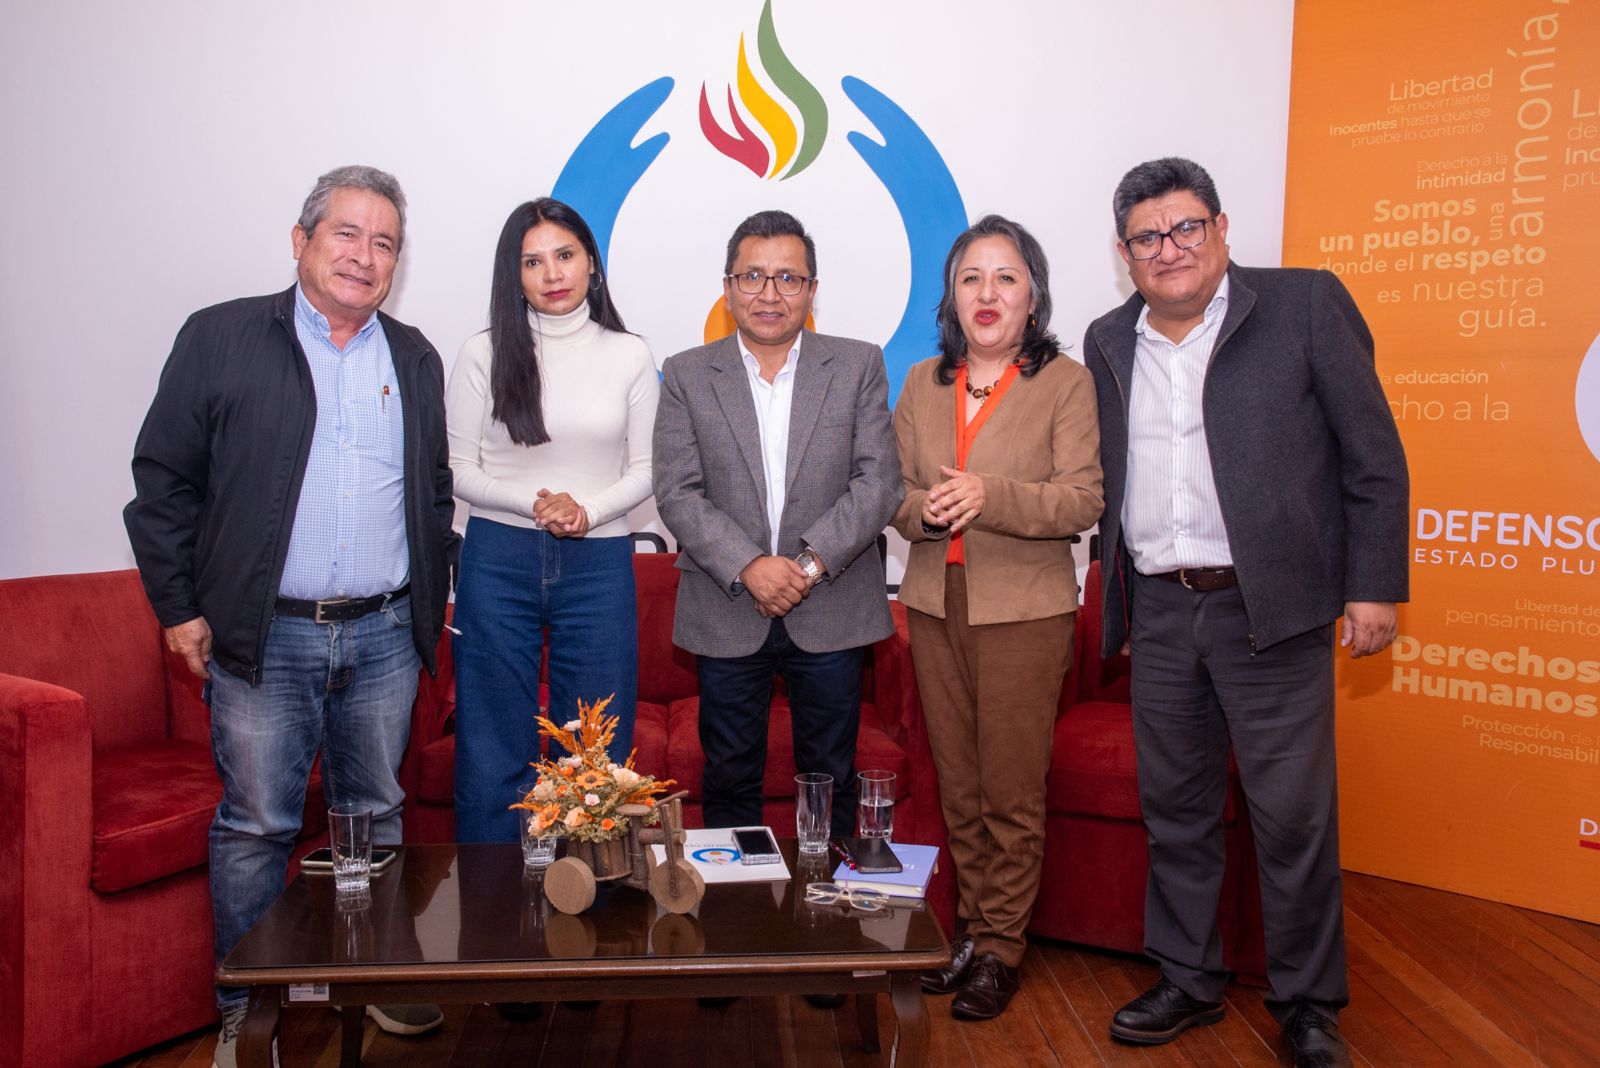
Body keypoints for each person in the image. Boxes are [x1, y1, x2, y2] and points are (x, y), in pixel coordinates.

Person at [123, 165, 459, 1067]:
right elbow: (163, 483)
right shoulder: (222, 336)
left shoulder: (413, 356)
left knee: (376, 814)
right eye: (347, 233)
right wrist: (179, 607)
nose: (365, 256)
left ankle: (373, 979)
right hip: (263, 636)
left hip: (384, 633)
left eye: (384, 243)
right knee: (257, 826)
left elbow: (431, 490)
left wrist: (429, 604)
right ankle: (249, 1007)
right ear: (301, 240)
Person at [1083, 158, 1408, 1068]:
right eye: (1147, 237)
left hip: (1273, 610)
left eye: (1186, 227)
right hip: (1159, 609)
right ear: (1124, 252)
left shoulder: (1303, 304)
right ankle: (1188, 978)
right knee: (1176, 810)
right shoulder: (1107, 339)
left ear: (1222, 229)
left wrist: (1373, 583)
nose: (1169, 248)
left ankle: (1308, 1005)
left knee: (1293, 819)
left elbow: (1373, 455)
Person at [890, 215, 1103, 1020]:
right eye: (971, 277)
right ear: (951, 295)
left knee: (1011, 790)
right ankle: (972, 932)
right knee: (961, 784)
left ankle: (1002, 949)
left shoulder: (1066, 383)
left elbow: (1081, 500)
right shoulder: (921, 381)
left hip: (1025, 611)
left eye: (1006, 277)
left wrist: (989, 495)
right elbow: (892, 491)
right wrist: (924, 510)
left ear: (1033, 298)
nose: (987, 293)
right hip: (932, 604)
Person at [652, 209, 902, 841]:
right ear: (728, 287)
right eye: (753, 276)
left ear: (812, 290)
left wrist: (805, 568)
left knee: (832, 775)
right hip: (727, 605)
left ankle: (826, 892)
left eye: (789, 278)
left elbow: (879, 484)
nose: (770, 293)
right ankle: (737, 898)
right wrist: (749, 566)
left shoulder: (857, 364)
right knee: (729, 775)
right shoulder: (686, 373)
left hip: (832, 604)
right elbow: (677, 492)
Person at [447, 198, 659, 844]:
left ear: (590, 262)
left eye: (564, 255)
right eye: (532, 262)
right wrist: (535, 504)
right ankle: (491, 893)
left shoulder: (629, 353)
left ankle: (593, 889)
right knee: (491, 738)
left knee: (595, 747)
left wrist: (586, 511)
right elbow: (455, 468)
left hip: (598, 563)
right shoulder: (483, 352)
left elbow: (650, 469)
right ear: (513, 276)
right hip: (496, 557)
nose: (552, 273)